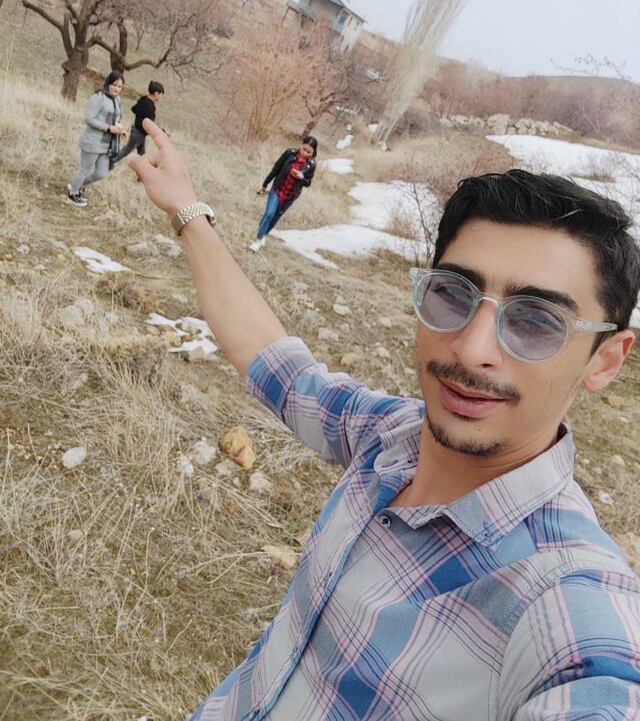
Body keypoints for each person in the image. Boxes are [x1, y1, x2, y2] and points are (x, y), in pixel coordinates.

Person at [128, 121, 640, 720]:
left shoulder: (565, 594)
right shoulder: (391, 437)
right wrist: (187, 210)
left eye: (537, 321)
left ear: (606, 359)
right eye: (454, 294)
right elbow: (281, 368)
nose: (471, 347)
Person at [67, 71, 128, 206]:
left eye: (119, 86)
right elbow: (89, 119)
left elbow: (116, 119)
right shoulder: (98, 97)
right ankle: (73, 194)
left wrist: (121, 130)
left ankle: (75, 184)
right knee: (84, 169)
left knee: (101, 173)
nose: (116, 89)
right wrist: (109, 128)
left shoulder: (117, 100)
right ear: (107, 83)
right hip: (93, 141)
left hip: (107, 144)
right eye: (114, 85)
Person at [249, 136, 318, 252]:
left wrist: (302, 177)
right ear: (301, 144)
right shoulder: (289, 153)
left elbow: (308, 183)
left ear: (313, 153)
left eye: (309, 152)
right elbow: (276, 168)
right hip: (277, 190)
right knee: (269, 214)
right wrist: (266, 183)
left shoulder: (311, 165)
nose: (305, 153)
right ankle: (258, 240)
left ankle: (264, 233)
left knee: (275, 217)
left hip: (290, 196)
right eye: (304, 149)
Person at [112, 80, 165, 165]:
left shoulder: (144, 100)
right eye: (160, 94)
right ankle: (109, 162)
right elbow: (151, 123)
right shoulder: (149, 106)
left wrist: (139, 116)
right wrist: (163, 131)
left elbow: (134, 109)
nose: (160, 97)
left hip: (138, 132)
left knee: (142, 154)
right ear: (156, 93)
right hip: (138, 134)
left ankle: (143, 170)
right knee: (126, 150)